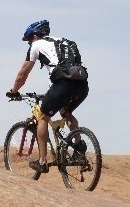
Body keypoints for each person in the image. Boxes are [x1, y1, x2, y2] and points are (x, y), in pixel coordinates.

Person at [6, 20, 89, 173]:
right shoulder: (64, 42)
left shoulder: (37, 45)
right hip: (82, 85)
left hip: (63, 83)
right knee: (66, 113)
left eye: (30, 39)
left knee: (43, 117)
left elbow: (22, 74)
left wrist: (14, 90)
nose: (29, 43)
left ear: (35, 36)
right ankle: (78, 150)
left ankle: (43, 161)